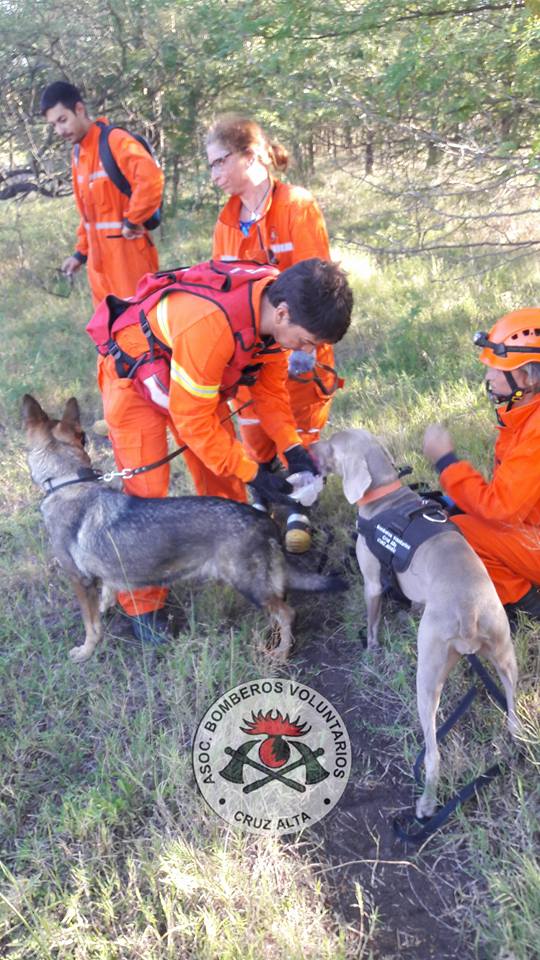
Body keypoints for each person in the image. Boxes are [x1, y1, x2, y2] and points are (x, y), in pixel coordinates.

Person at [94, 257, 353, 643]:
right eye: (307, 341)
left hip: (197, 380)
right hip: (136, 381)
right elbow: (193, 423)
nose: (308, 351)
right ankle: (142, 606)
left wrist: (293, 448)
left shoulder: (275, 310)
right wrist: (255, 473)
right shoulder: (210, 325)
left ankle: (242, 566)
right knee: (146, 500)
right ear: (282, 314)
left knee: (224, 482)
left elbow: (269, 394)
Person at [206, 115, 341, 553]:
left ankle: (302, 508)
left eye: (220, 162)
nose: (215, 174)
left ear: (249, 155)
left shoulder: (295, 205)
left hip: (298, 345)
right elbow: (222, 289)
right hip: (253, 350)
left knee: (298, 427)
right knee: (254, 426)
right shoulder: (227, 222)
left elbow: (318, 285)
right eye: (210, 165)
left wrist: (304, 353)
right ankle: (264, 500)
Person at [423, 307, 540, 621]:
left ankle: (525, 605)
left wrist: (446, 462)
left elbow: (501, 509)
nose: (488, 376)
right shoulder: (525, 413)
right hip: (532, 525)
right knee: (462, 514)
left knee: (459, 530)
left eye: (495, 369)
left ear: (527, 376)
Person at [40, 81, 164, 307]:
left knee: (140, 324)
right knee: (108, 326)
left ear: (79, 109)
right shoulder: (78, 155)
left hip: (130, 264)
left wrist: (133, 219)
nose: (59, 131)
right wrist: (80, 254)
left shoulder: (115, 141)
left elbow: (151, 179)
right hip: (99, 272)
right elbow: (89, 216)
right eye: (54, 125)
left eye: (63, 120)